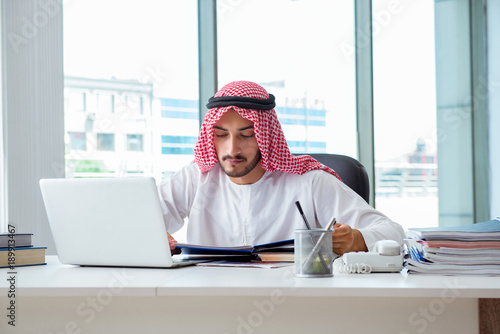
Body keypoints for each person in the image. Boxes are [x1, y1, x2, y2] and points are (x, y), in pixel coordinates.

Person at [159, 81, 405, 255]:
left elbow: (393, 233)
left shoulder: (309, 182)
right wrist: (154, 237)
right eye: (222, 135)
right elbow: (135, 219)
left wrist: (356, 239)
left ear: (265, 136)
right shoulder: (196, 178)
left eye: (246, 135)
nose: (231, 149)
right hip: (208, 301)